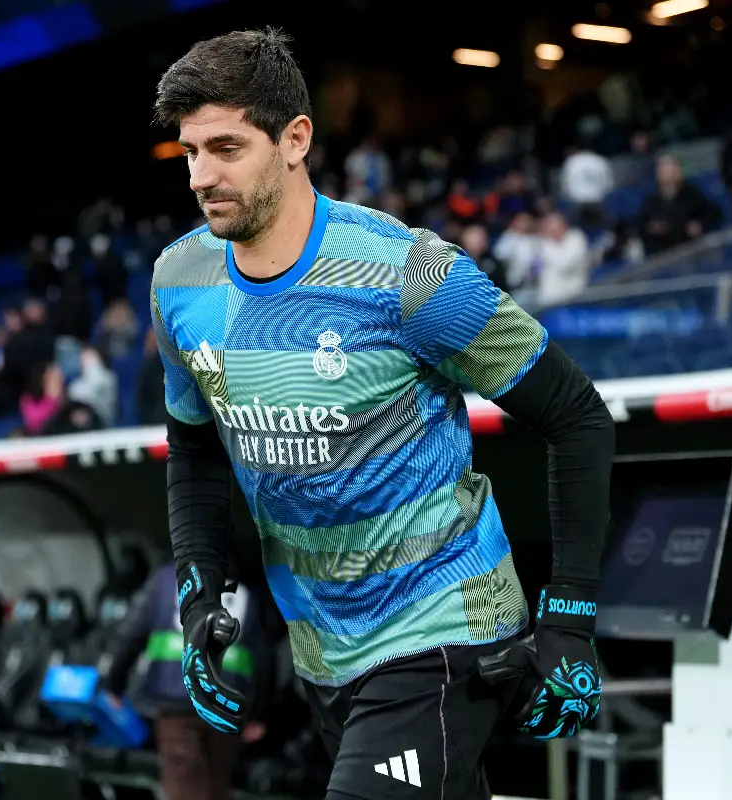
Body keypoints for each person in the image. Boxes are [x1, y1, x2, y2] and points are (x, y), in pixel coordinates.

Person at [147, 28, 614, 799]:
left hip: (443, 625)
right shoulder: (180, 281)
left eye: (226, 148)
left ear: (295, 139)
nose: (201, 175)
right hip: (323, 650)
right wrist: (199, 592)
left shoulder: (410, 274)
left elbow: (577, 415)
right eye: (190, 152)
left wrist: (569, 616)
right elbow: (195, 447)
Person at [104, 560, 271, 800]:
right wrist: (258, 714)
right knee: (217, 787)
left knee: (184, 787)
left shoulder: (164, 580)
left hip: (176, 703)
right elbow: (263, 656)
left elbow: (132, 633)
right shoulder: (242, 585)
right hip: (225, 705)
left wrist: (114, 685)